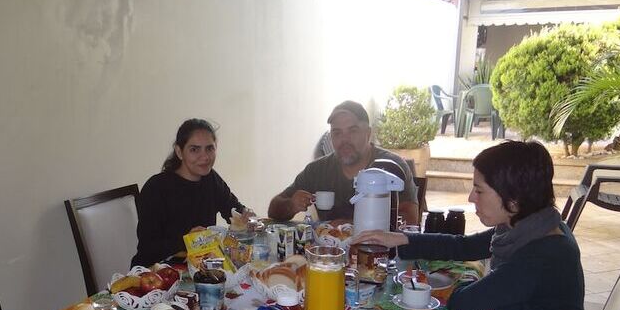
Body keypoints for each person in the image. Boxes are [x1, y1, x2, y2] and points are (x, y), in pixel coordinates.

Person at [352, 140, 584, 310]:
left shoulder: (540, 256)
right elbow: (464, 246)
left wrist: (489, 289)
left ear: (513, 201)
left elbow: (463, 301)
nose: (472, 198)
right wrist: (400, 239)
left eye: (480, 189)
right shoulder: (537, 227)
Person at [268, 100, 419, 225]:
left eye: (353, 131)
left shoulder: (391, 166)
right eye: (337, 133)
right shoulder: (317, 170)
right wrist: (291, 205)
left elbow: (411, 220)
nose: (344, 140)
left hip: (377, 254)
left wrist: (352, 225)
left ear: (368, 133)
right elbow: (274, 209)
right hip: (327, 255)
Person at [132, 119, 251, 267]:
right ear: (179, 151)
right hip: (157, 272)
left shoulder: (210, 178)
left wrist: (245, 215)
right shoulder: (156, 187)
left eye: (209, 148)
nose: (205, 157)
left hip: (198, 266)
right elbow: (148, 247)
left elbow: (233, 209)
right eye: (194, 149)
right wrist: (187, 240)